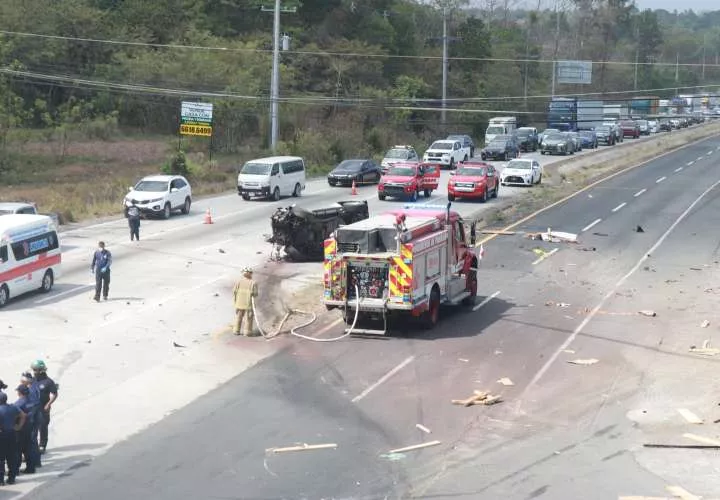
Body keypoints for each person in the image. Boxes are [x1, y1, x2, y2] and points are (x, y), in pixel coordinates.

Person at [29, 361, 57, 455]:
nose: (34, 371)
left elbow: (54, 394)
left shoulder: (48, 382)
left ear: (41, 370)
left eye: (35, 370)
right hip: (33, 408)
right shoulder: (33, 380)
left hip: (43, 409)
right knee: (32, 428)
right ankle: (33, 446)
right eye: (33, 369)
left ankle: (42, 445)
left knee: (43, 427)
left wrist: (48, 404)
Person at [0, 392, 25, 485]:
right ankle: (11, 478)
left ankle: (1, 480)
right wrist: (19, 426)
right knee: (11, 457)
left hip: (2, 436)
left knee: (0, 459)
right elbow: (23, 415)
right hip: (12, 434)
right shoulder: (13, 407)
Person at [13, 385, 39, 474]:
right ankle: (31, 468)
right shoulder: (32, 401)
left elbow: (15, 415)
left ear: (20, 392)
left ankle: (15, 470)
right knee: (28, 449)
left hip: (20, 429)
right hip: (30, 427)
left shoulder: (18, 403)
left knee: (17, 450)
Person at [19, 373, 41, 469]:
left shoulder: (31, 391)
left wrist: (28, 418)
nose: (21, 383)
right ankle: (36, 461)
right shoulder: (34, 386)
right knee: (33, 440)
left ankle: (34, 462)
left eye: (22, 382)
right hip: (36, 417)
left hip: (33, 419)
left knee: (32, 441)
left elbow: (32, 406)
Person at [232, 267, 258, 336]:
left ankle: (236, 330)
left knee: (239, 317)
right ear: (250, 274)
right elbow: (255, 294)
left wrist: (235, 301)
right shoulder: (253, 283)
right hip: (248, 304)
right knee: (249, 317)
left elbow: (234, 291)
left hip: (239, 303)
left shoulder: (238, 282)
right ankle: (247, 332)